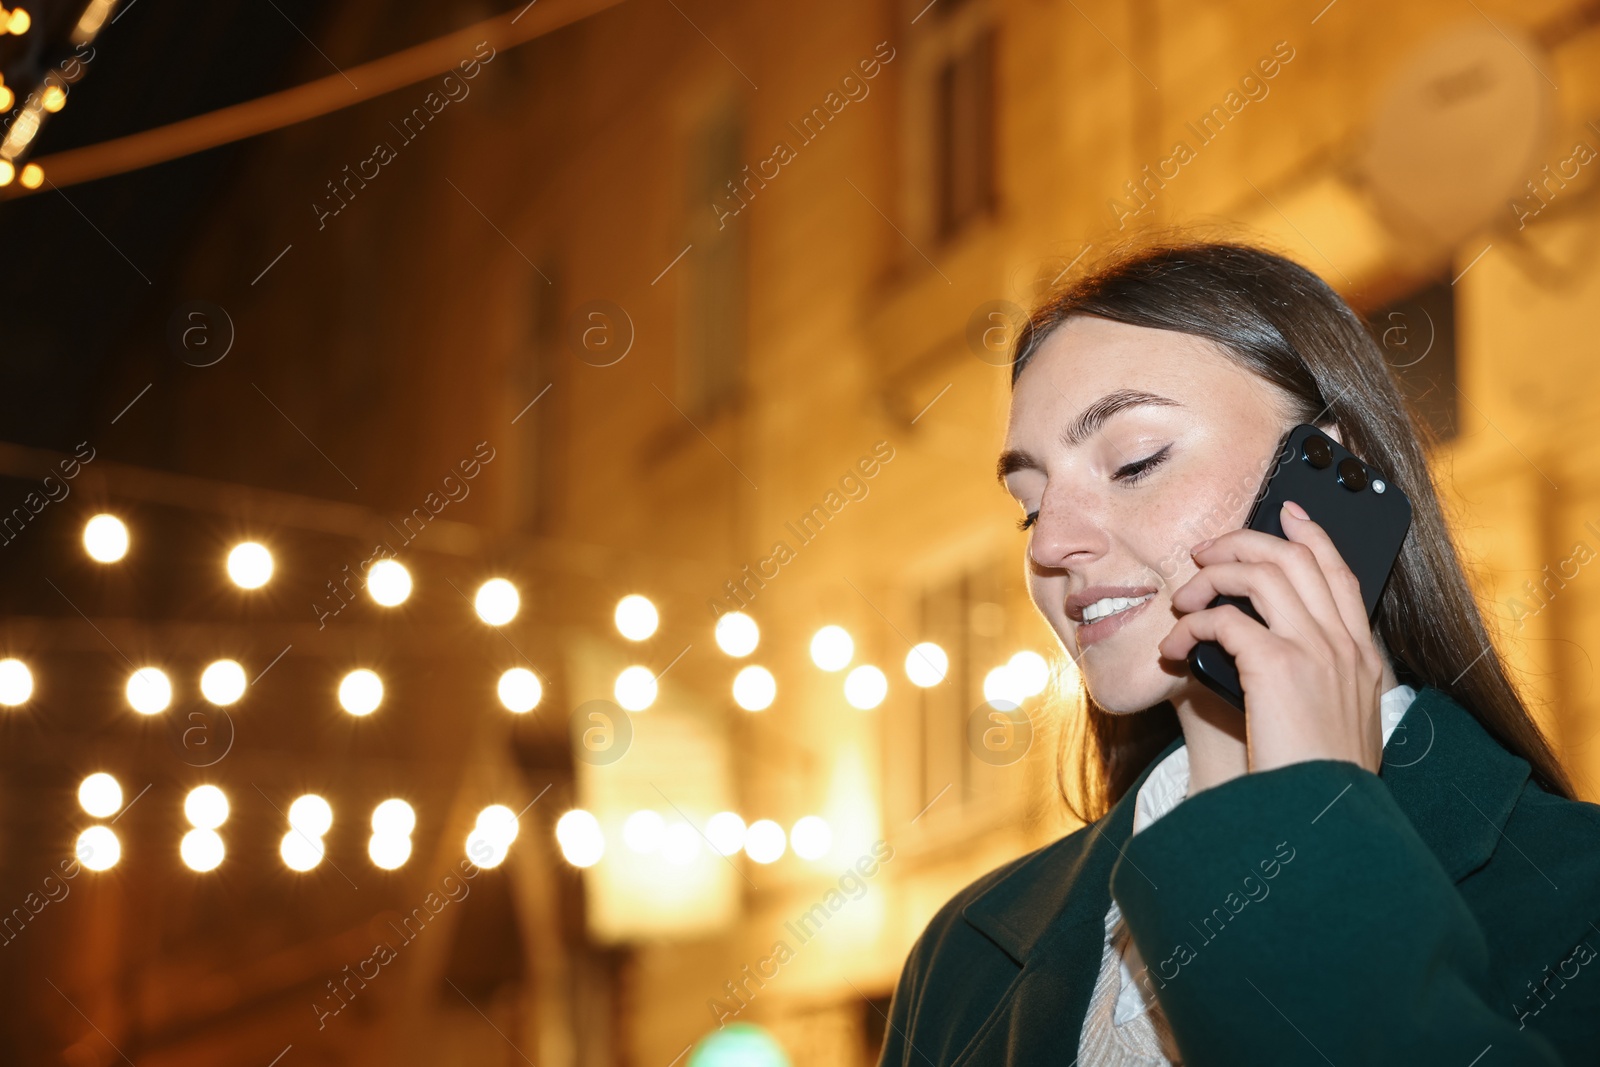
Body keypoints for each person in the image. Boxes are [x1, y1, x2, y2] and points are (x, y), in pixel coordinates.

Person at [877, 241, 1600, 1066]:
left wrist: (1309, 819)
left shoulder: (1577, 895)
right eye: (1028, 505)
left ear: (1332, 467)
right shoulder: (961, 955)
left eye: (1134, 460)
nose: (1051, 543)